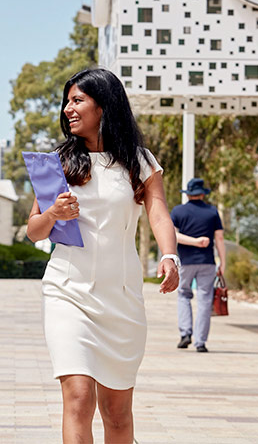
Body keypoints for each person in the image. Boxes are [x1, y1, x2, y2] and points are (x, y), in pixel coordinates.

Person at [26, 68, 179, 444]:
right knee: (78, 398)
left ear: (104, 105)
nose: (67, 109)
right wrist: (53, 215)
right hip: (67, 292)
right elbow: (34, 231)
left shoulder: (138, 161)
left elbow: (158, 210)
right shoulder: (57, 162)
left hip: (121, 299)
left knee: (117, 414)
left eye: (77, 100)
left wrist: (170, 255)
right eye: (67, 101)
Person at [170, 177, 225, 353]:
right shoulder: (212, 212)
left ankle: (185, 333)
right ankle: (200, 342)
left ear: (188, 194)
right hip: (207, 263)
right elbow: (220, 239)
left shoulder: (178, 211)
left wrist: (193, 242)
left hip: (185, 262)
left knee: (183, 295)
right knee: (204, 300)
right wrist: (222, 263)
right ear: (202, 194)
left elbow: (172, 236)